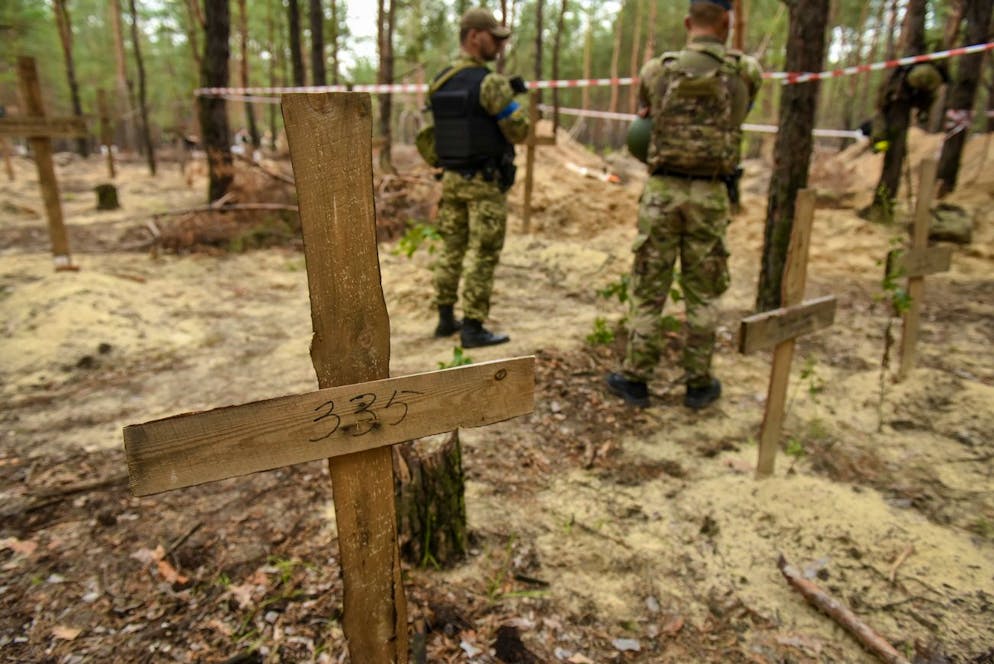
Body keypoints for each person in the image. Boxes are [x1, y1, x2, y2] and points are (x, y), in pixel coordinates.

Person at [606, 0, 762, 409]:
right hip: (711, 194)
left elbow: (646, 113)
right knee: (704, 290)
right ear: (727, 21)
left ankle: (636, 378)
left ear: (689, 22)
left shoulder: (657, 70)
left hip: (662, 193)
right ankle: (698, 383)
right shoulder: (744, 70)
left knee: (648, 288)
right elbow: (743, 108)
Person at [425, 7, 530, 348]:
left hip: (452, 179)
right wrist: (516, 102)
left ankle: (445, 320)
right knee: (483, 252)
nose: (499, 46)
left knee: (451, 248)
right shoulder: (491, 84)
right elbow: (518, 130)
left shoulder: (439, 81)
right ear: (474, 37)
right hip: (484, 184)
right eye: (494, 38)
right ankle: (472, 327)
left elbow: (431, 134)